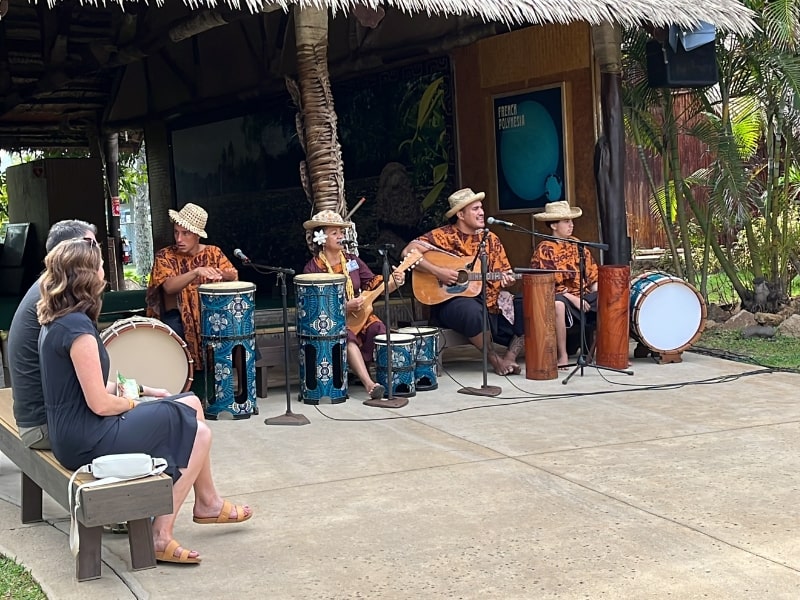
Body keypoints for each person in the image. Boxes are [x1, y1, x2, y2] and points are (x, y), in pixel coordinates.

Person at [37, 238, 252, 564]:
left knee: (191, 403)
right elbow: (100, 404)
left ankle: (207, 501)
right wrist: (139, 407)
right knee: (200, 432)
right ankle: (160, 535)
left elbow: (94, 386)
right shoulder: (77, 329)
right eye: (100, 266)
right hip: (87, 437)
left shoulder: (59, 320)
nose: (104, 271)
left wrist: (145, 390)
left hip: (77, 430)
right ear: (87, 276)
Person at [402, 188, 524, 376]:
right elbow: (407, 253)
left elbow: (503, 272)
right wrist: (438, 272)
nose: (482, 212)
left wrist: (506, 280)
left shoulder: (490, 239)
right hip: (451, 302)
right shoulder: (443, 236)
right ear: (460, 214)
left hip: (491, 301)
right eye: (475, 209)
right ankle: (494, 360)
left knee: (528, 305)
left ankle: (510, 358)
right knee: (472, 311)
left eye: (481, 208)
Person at [302, 210, 406, 399]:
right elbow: (313, 305)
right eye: (335, 233)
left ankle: (393, 380)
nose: (341, 236)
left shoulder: (352, 261)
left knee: (377, 327)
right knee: (346, 336)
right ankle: (370, 385)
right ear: (321, 238)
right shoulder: (313, 268)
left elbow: (376, 284)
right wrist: (344, 307)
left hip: (359, 315)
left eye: (341, 232)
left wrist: (395, 281)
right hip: (331, 320)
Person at [146, 203, 237, 371]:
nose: (179, 239)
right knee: (171, 336)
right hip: (176, 317)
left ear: (197, 236)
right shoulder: (165, 256)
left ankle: (239, 389)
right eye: (176, 232)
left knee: (237, 330)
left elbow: (233, 275)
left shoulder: (213, 253)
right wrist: (196, 272)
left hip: (210, 314)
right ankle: (183, 387)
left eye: (185, 233)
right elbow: (168, 287)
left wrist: (223, 274)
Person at [529, 201, 598, 369]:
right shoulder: (545, 249)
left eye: (571, 221)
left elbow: (592, 274)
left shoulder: (577, 244)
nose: (571, 225)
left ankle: (603, 352)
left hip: (582, 293)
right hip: (560, 295)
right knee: (558, 305)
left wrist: (597, 294)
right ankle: (563, 355)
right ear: (553, 225)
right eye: (566, 221)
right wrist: (574, 299)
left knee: (611, 297)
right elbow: (546, 285)